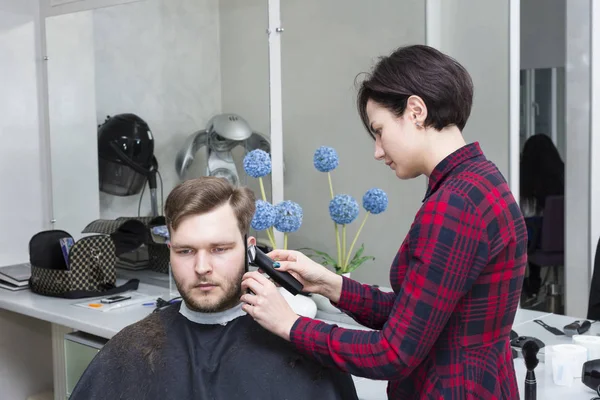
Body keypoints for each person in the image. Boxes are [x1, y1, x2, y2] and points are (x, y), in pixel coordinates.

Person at [240, 44, 528, 399]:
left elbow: (392, 353)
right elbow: (419, 314)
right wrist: (330, 284)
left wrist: (291, 325)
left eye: (379, 130)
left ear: (416, 111)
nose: (378, 150)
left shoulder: (455, 204)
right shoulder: (482, 181)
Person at [70, 177, 358, 400]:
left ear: (250, 250)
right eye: (185, 251)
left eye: (219, 249)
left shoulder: (301, 349)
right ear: (169, 251)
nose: (202, 267)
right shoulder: (132, 349)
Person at [519, 133, 565, 298]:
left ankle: (532, 282)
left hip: (538, 243)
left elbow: (524, 214)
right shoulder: (563, 177)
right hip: (564, 244)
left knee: (528, 227)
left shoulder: (526, 183)